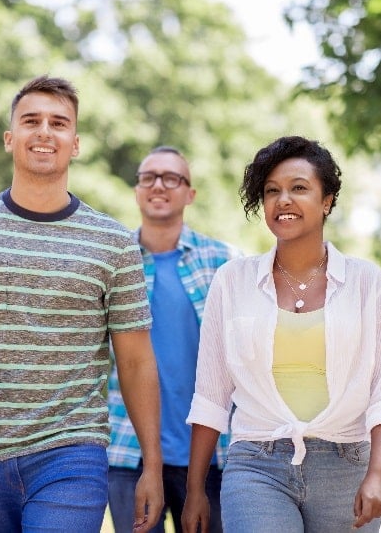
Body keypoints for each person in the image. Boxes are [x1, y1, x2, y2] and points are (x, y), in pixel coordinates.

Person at [0, 75, 164, 533]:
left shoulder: (114, 243)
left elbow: (137, 360)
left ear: (75, 143)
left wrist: (152, 466)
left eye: (58, 123)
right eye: (31, 121)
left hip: (72, 451)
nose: (45, 132)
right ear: (10, 138)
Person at [182, 136, 381, 532]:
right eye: (272, 191)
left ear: (327, 200)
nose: (284, 200)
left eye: (299, 188)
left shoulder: (369, 283)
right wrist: (196, 490)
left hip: (347, 465)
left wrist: (380, 473)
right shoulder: (232, 281)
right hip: (256, 463)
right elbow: (211, 393)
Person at [107, 146, 243, 533]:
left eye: (172, 178)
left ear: (190, 193)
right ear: (137, 190)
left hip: (210, 455)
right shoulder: (114, 263)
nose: (158, 186)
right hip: (126, 451)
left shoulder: (226, 263)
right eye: (148, 177)